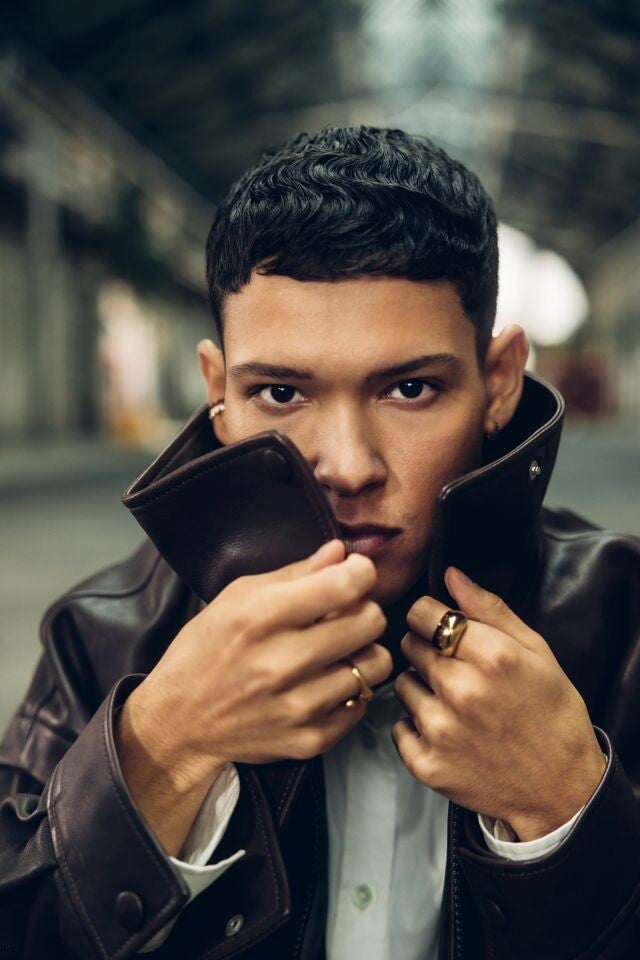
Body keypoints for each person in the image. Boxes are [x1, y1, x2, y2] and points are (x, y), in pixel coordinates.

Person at [1, 126, 639, 960]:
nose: (347, 465)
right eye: (280, 392)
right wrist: (164, 749)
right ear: (218, 395)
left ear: (499, 382)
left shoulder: (626, 625)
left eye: (410, 388)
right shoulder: (99, 639)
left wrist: (567, 804)